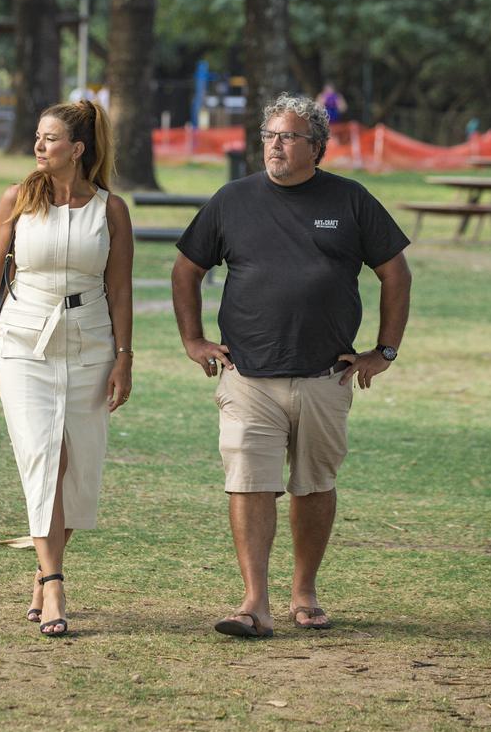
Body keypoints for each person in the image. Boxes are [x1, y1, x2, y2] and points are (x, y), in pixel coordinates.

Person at [171, 92, 411, 639]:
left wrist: (385, 350)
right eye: (269, 136)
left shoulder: (351, 201)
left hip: (327, 374)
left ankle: (305, 590)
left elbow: (395, 273)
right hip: (247, 374)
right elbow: (186, 269)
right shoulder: (232, 200)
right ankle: (255, 602)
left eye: (288, 137)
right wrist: (194, 340)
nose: (275, 146)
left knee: (313, 485)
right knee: (248, 481)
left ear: (317, 147)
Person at [0, 100, 134, 637]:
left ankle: (42, 574)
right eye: (38, 138)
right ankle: (57, 581)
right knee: (41, 455)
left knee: (75, 465)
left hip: (90, 343)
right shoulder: (17, 200)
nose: (39, 146)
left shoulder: (110, 210)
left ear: (78, 149)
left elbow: (119, 289)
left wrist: (124, 358)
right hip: (22, 342)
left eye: (50, 139)